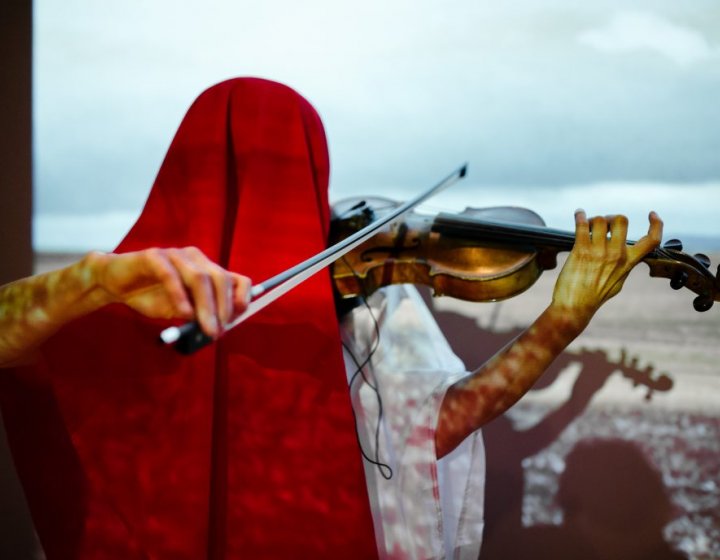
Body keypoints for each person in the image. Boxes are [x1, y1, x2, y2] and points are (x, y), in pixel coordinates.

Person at [0, 78, 662, 559]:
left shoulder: (333, 302)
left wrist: (564, 321)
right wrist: (103, 278)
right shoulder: (124, 300)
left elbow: (422, 430)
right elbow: (435, 428)